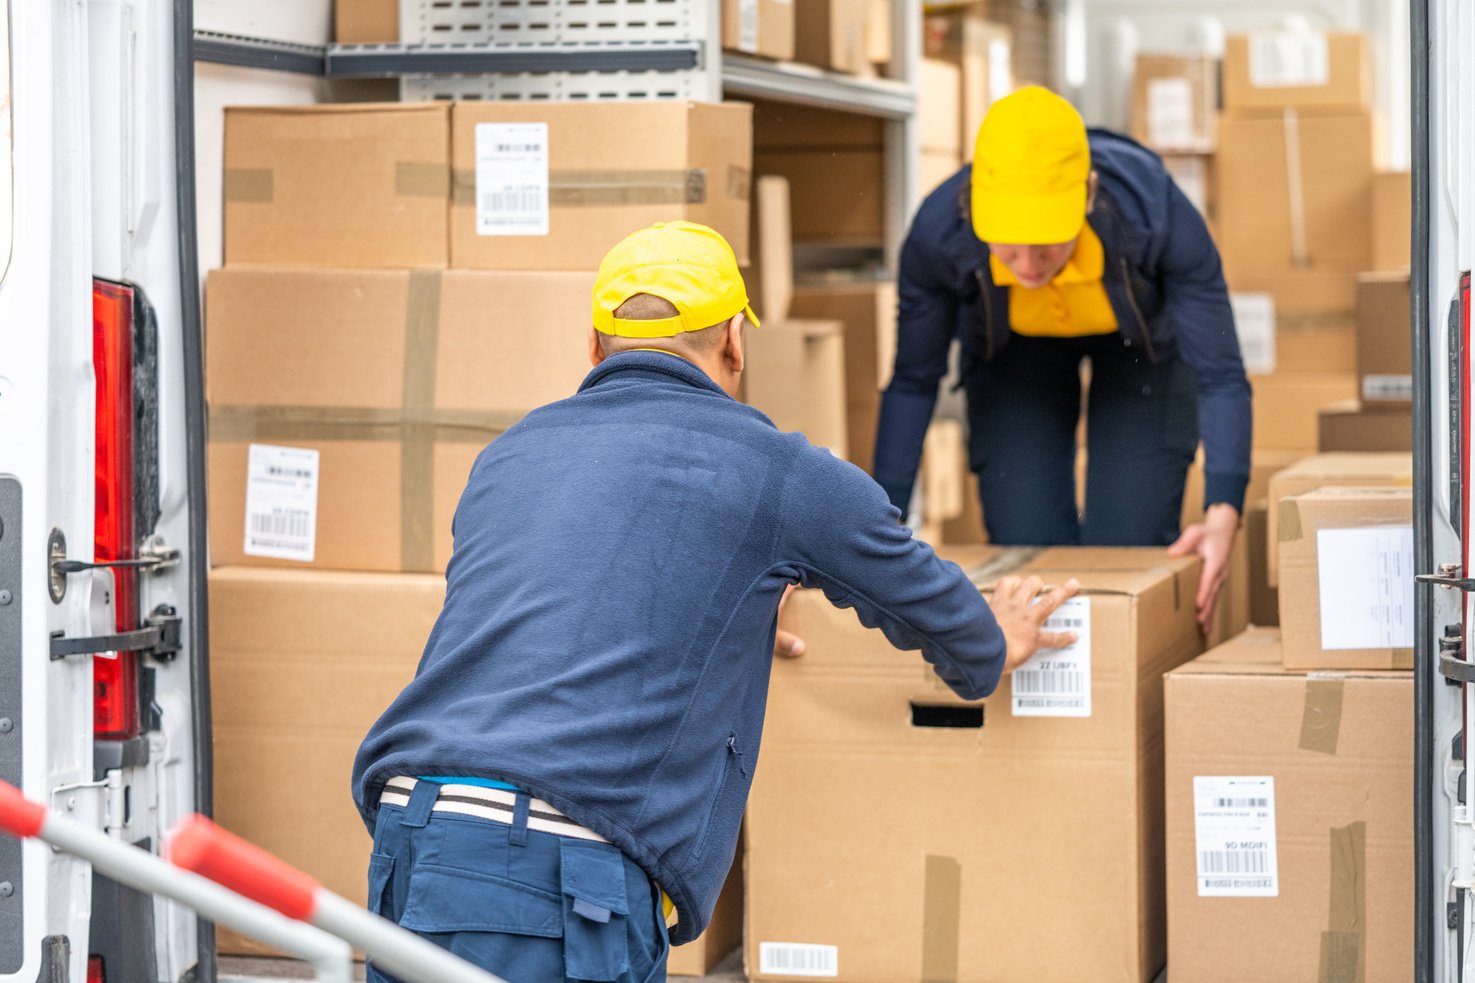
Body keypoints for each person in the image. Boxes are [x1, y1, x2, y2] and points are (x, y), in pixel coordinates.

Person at [351, 220, 1080, 982]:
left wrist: (740, 598)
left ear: (595, 347)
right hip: (557, 872)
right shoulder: (778, 469)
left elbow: (571, 607)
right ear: (736, 343)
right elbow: (953, 634)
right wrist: (996, 637)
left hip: (413, 835)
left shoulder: (509, 453)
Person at [872, 86, 1252, 631]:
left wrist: (1224, 509)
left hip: (1140, 355)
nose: (1027, 265)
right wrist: (877, 529)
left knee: (1127, 543)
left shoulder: (1157, 214)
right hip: (1015, 355)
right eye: (1007, 245)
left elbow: (1220, 372)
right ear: (975, 205)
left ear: (1089, 195)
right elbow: (913, 380)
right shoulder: (939, 233)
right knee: (1028, 551)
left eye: (1047, 244)